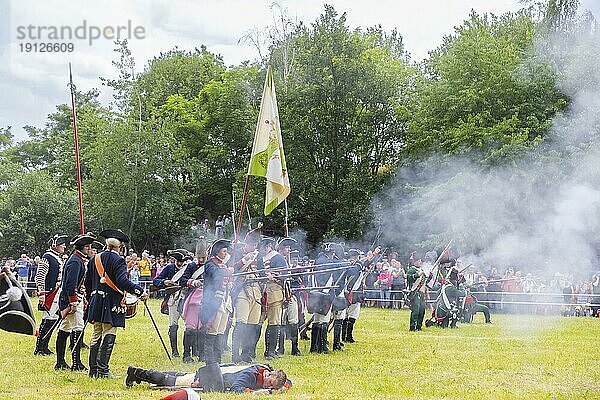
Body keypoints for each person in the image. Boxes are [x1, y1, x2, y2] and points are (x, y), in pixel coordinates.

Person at [84, 229, 147, 378]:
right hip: (111, 302)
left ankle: (93, 371)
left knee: (96, 334)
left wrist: (91, 298)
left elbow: (87, 283)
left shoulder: (95, 258)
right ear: (120, 246)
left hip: (96, 301)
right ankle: (103, 371)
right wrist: (139, 291)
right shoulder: (118, 260)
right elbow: (122, 281)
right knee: (109, 333)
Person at [55, 233, 96, 371]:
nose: (90, 250)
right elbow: (69, 283)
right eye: (88, 247)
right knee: (77, 328)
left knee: (65, 328)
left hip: (74, 297)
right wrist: (73, 302)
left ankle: (61, 362)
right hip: (71, 300)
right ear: (83, 248)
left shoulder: (77, 259)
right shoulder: (75, 261)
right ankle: (75, 363)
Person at [126, 363, 291, 394]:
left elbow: (286, 381)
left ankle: (140, 373)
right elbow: (236, 389)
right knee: (171, 381)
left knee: (177, 376)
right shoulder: (250, 376)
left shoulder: (267, 369)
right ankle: (138, 373)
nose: (268, 387)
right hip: (209, 378)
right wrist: (255, 393)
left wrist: (282, 386)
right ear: (268, 375)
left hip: (214, 373)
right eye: (269, 384)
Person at [201, 239, 234, 367]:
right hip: (214, 300)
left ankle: (218, 360)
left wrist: (230, 283)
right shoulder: (210, 263)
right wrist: (227, 272)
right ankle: (210, 361)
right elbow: (215, 273)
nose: (225, 254)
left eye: (226, 251)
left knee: (220, 331)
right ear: (217, 252)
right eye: (224, 251)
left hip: (225, 300)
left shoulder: (223, 265)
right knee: (212, 330)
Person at [34, 234, 68, 356]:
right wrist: (42, 293)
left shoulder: (57, 257)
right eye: (61, 244)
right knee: (47, 321)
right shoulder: (47, 257)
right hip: (49, 293)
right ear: (54, 245)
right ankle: (39, 348)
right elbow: (40, 276)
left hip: (57, 292)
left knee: (53, 320)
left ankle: (45, 346)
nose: (64, 246)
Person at [153, 248, 191, 358]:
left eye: (182, 261)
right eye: (179, 261)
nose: (180, 263)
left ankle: (188, 351)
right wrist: (164, 282)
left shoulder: (188, 267)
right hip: (173, 299)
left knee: (190, 326)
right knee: (173, 326)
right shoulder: (169, 268)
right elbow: (156, 280)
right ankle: (174, 351)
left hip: (186, 298)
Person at [406, 254, 426, 331]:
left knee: (422, 310)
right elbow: (409, 278)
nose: (419, 262)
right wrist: (417, 275)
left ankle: (419, 326)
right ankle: (412, 327)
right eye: (418, 261)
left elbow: (425, 281)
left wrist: (429, 276)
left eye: (420, 261)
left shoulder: (421, 270)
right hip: (415, 292)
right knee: (416, 310)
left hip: (421, 293)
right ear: (414, 261)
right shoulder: (411, 270)